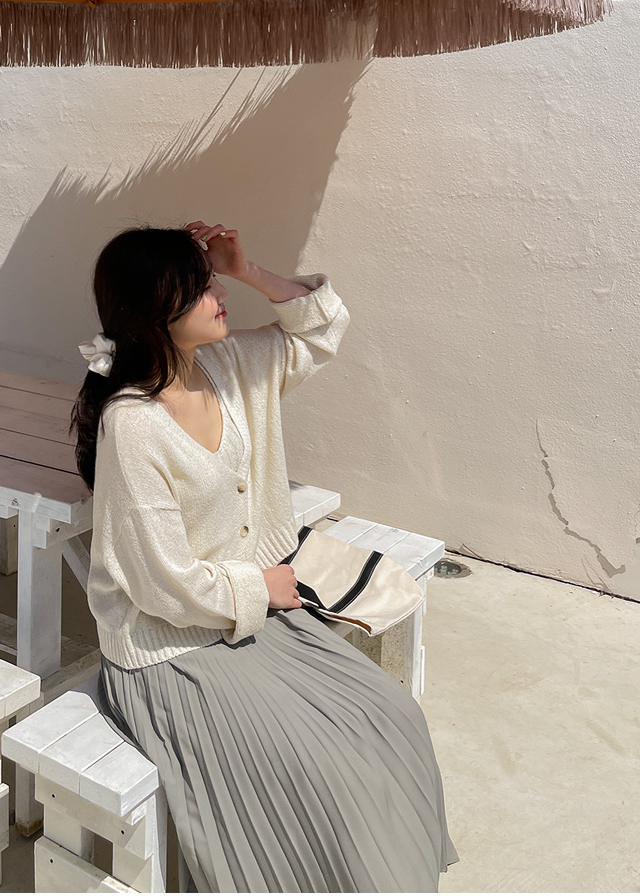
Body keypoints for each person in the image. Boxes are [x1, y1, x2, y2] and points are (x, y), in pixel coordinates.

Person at [73, 217, 457, 894]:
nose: (220, 294)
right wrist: (262, 589)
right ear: (157, 310)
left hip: (248, 618)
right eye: (202, 287)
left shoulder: (230, 367)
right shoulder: (131, 426)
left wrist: (248, 269)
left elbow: (323, 328)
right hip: (171, 649)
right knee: (326, 770)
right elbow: (161, 584)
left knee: (391, 714)